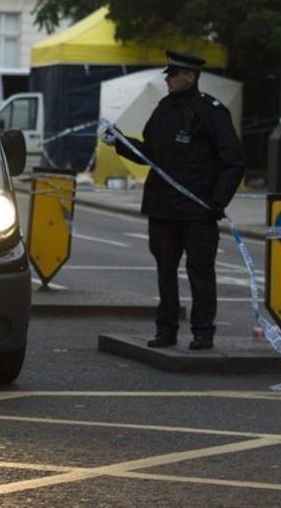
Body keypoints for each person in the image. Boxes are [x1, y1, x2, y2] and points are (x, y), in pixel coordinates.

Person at [99, 51, 245, 350]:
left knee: (200, 270)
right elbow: (150, 154)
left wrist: (218, 202)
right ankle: (165, 330)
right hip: (163, 207)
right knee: (165, 271)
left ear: (189, 76)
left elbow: (233, 161)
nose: (167, 78)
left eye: (173, 73)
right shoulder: (164, 109)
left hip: (197, 209)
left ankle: (203, 331)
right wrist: (121, 142)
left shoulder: (211, 111)